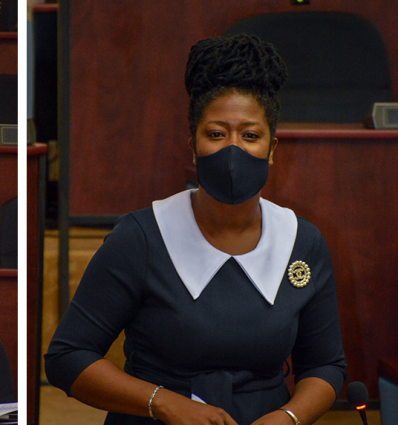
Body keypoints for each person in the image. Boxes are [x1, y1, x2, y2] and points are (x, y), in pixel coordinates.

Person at [44, 34, 347, 425]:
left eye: (251, 136)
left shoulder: (302, 241)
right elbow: (68, 357)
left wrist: (289, 417)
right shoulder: (142, 236)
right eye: (216, 134)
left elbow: (325, 365)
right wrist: (165, 404)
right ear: (193, 146)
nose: (233, 150)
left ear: (272, 149)